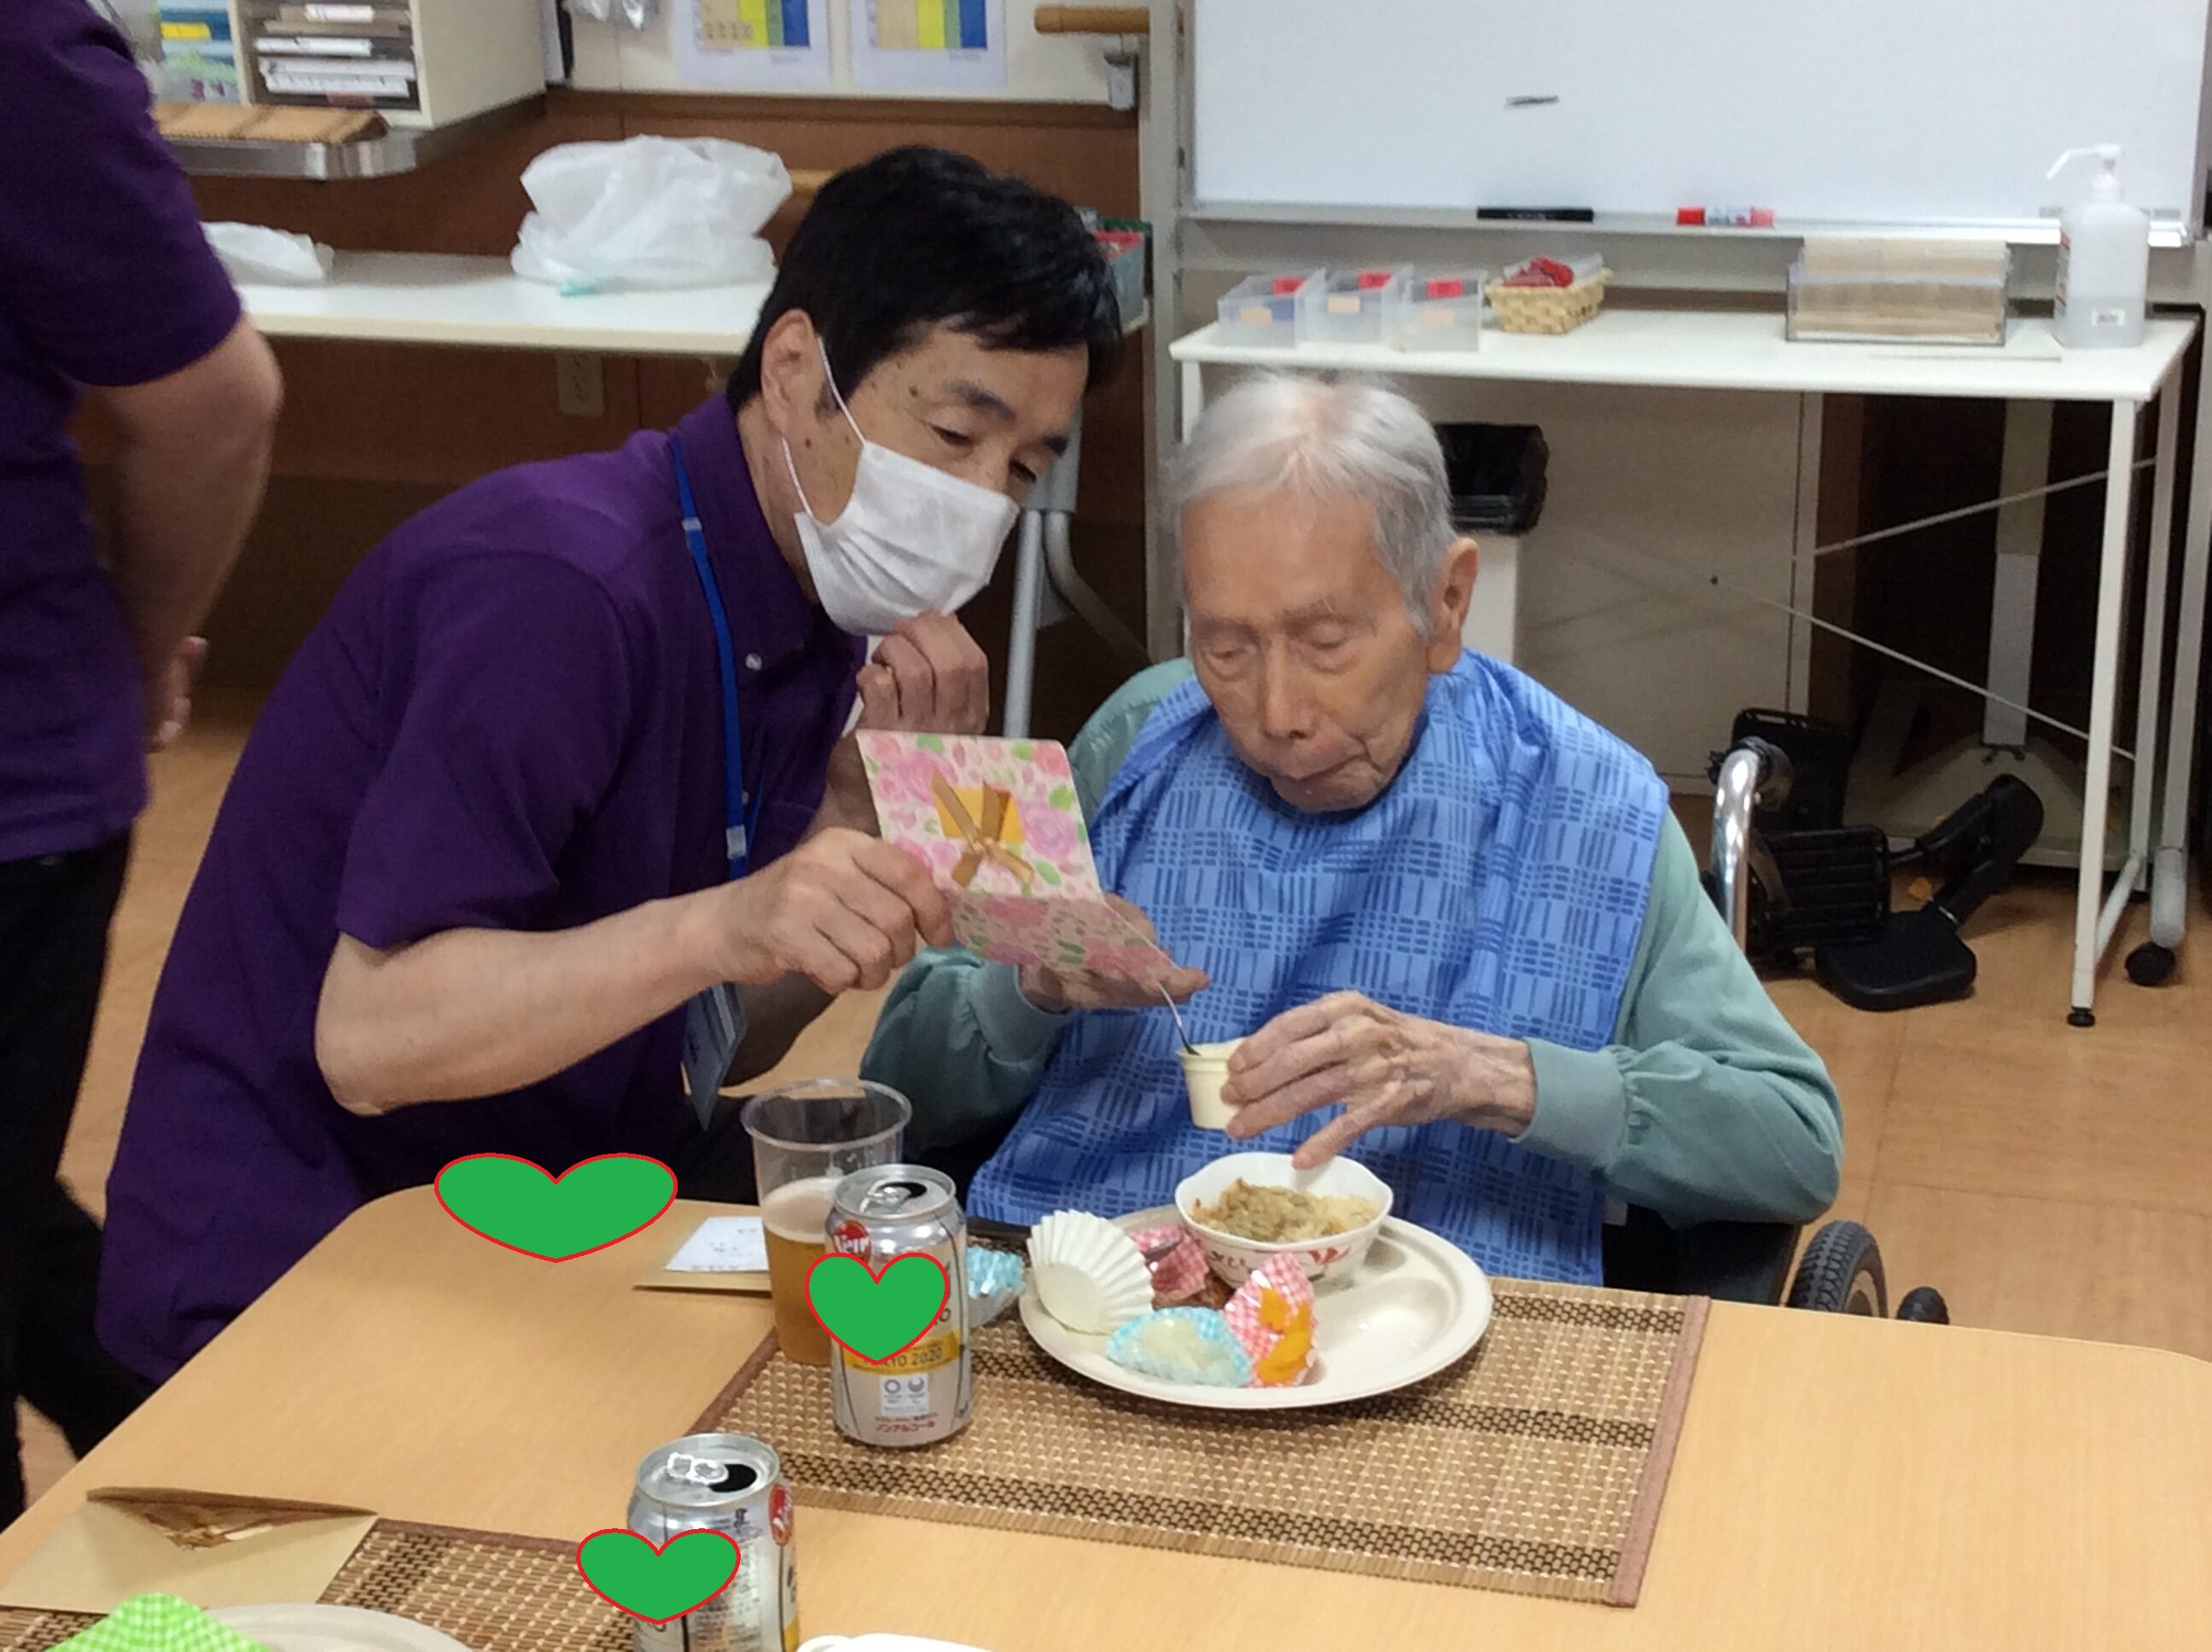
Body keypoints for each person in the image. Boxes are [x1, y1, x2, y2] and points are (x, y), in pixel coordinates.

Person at [98, 146, 1120, 1382]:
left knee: (967, 1293)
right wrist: (730, 922)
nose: (980, 501)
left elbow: (704, 1042)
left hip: (571, 1196)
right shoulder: (562, 591)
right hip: (309, 1253)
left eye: (1022, 471)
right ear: (796, 369)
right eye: (955, 433)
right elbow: (371, 1042)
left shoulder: (815, 611)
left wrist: (845, 837)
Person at [862, 375, 1843, 1283]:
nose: (1277, 712)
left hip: (1443, 1330)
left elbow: (1796, 1140)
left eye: (1325, 641)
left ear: (1445, 604)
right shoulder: (1137, 740)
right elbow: (901, 1087)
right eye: (1226, 645)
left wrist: (1488, 1075)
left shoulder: (1587, 804)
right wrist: (1029, 990)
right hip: (1114, 1307)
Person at [2, 2, 283, 1519]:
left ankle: (209, 1542)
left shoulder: (25, 55)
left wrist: (130, 653)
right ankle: (227, 1500)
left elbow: (211, 401)